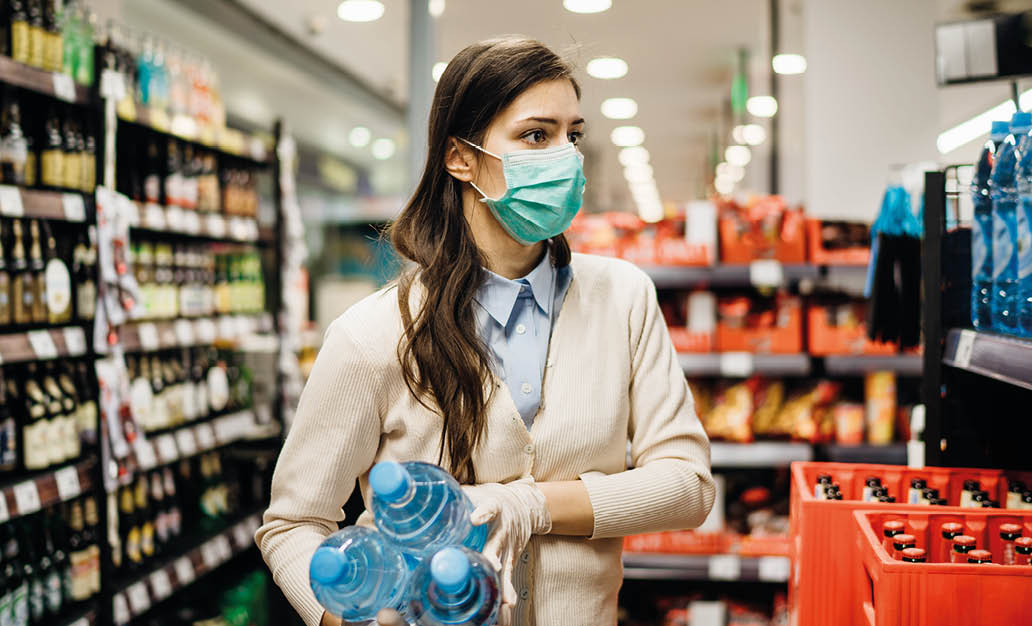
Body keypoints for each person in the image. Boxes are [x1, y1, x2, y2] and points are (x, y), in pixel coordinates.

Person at [255, 36, 714, 626]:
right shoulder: (374, 335)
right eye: (534, 135)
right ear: (460, 158)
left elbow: (687, 485)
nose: (564, 156)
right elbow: (293, 521)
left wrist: (531, 505)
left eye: (571, 135)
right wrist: (345, 617)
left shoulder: (623, 299)